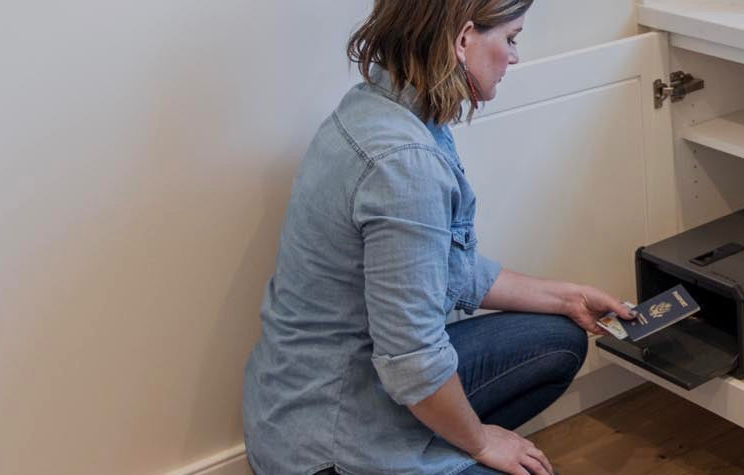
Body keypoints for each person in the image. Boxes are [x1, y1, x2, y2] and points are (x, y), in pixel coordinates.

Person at [241, 1, 632, 474]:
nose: (514, 57)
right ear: (464, 39)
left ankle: (445, 445)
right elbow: (413, 360)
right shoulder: (405, 163)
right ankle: (440, 450)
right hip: (331, 446)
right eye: (510, 38)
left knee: (557, 337)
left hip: (315, 400)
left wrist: (566, 297)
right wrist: (481, 442)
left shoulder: (378, 109)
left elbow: (448, 270)